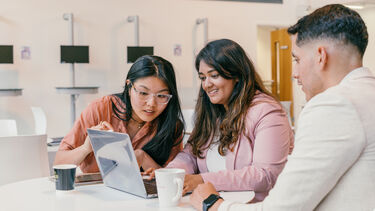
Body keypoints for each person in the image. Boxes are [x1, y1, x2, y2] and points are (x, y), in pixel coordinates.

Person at [190, 4, 375, 211]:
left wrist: (214, 205)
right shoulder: (367, 93)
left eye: (297, 59)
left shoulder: (334, 105)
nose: (294, 73)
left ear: (321, 56)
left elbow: (282, 208)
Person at [163, 39, 294, 202]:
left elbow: (265, 175)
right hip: (213, 203)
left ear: (237, 75)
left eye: (214, 76)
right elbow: (190, 155)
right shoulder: (212, 112)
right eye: (203, 77)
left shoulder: (267, 111)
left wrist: (202, 179)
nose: (206, 85)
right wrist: (170, 173)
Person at [54, 55, 184, 173]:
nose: (151, 103)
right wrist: (86, 148)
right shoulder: (100, 109)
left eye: (161, 95)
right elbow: (59, 163)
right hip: (95, 194)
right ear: (129, 86)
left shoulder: (171, 126)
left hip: (142, 198)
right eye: (143, 93)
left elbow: (174, 180)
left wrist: (143, 157)